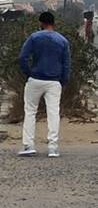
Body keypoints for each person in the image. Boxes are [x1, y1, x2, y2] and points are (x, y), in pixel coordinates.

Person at [18, 11, 70, 158]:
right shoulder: (62, 40)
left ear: (41, 23)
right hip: (54, 81)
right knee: (53, 113)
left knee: (30, 111)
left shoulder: (34, 37)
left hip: (35, 79)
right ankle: (53, 147)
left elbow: (23, 57)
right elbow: (66, 64)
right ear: (54, 23)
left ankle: (29, 145)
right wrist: (63, 80)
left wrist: (28, 72)